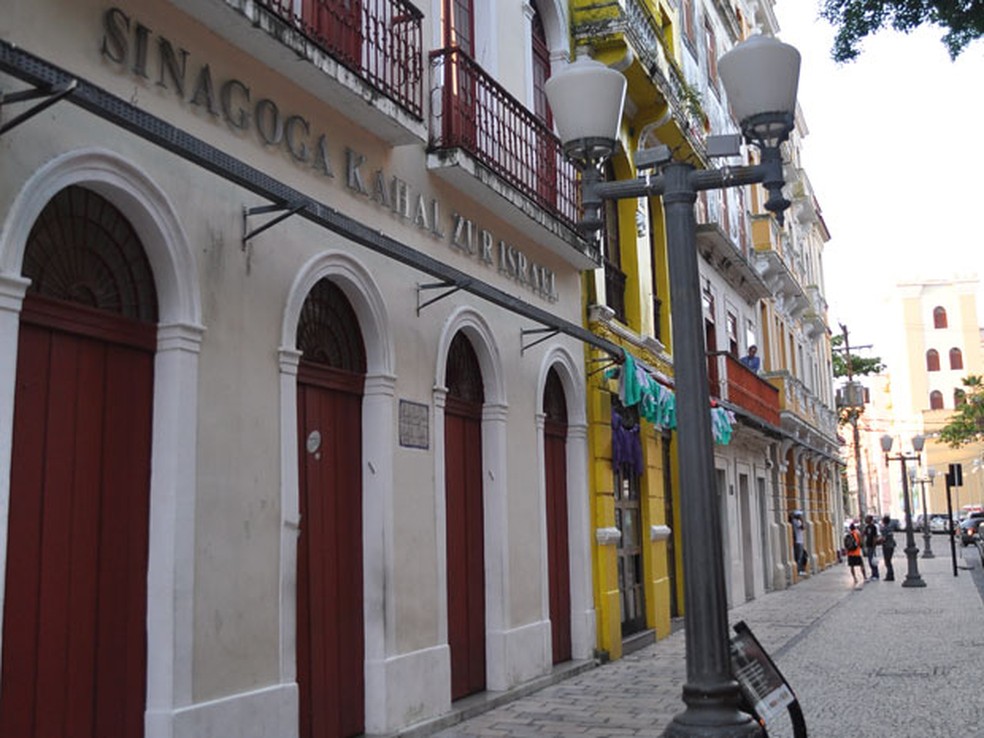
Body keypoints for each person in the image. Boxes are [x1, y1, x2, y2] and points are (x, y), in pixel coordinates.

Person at [845, 522, 865, 587]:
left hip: (850, 553)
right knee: (861, 565)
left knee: (852, 566)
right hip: (857, 553)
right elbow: (861, 542)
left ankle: (855, 578)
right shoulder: (857, 533)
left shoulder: (848, 534)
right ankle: (864, 577)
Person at [862, 514, 881, 580]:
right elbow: (864, 534)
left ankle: (876, 574)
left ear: (870, 520)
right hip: (868, 545)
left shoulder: (873, 527)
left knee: (873, 561)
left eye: (866, 519)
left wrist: (874, 544)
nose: (865, 520)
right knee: (870, 560)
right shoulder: (867, 527)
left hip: (872, 546)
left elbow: (875, 536)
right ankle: (873, 574)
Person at [880, 514, 897, 581]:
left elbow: (884, 538)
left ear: (884, 521)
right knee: (889, 561)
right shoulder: (890, 528)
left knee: (887, 561)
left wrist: (877, 541)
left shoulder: (884, 529)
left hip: (886, 546)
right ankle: (890, 575)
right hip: (892, 545)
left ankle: (890, 576)